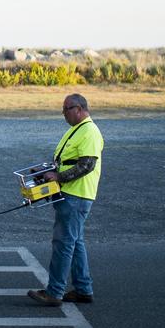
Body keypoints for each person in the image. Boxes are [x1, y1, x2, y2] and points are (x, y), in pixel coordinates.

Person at [28, 93, 103, 308]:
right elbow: (65, 161)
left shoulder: (89, 131)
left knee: (63, 243)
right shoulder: (75, 131)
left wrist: (58, 177)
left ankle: (54, 292)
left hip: (76, 195)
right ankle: (83, 289)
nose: (64, 114)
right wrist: (45, 171)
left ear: (79, 109)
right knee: (75, 242)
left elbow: (87, 165)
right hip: (70, 194)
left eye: (66, 109)